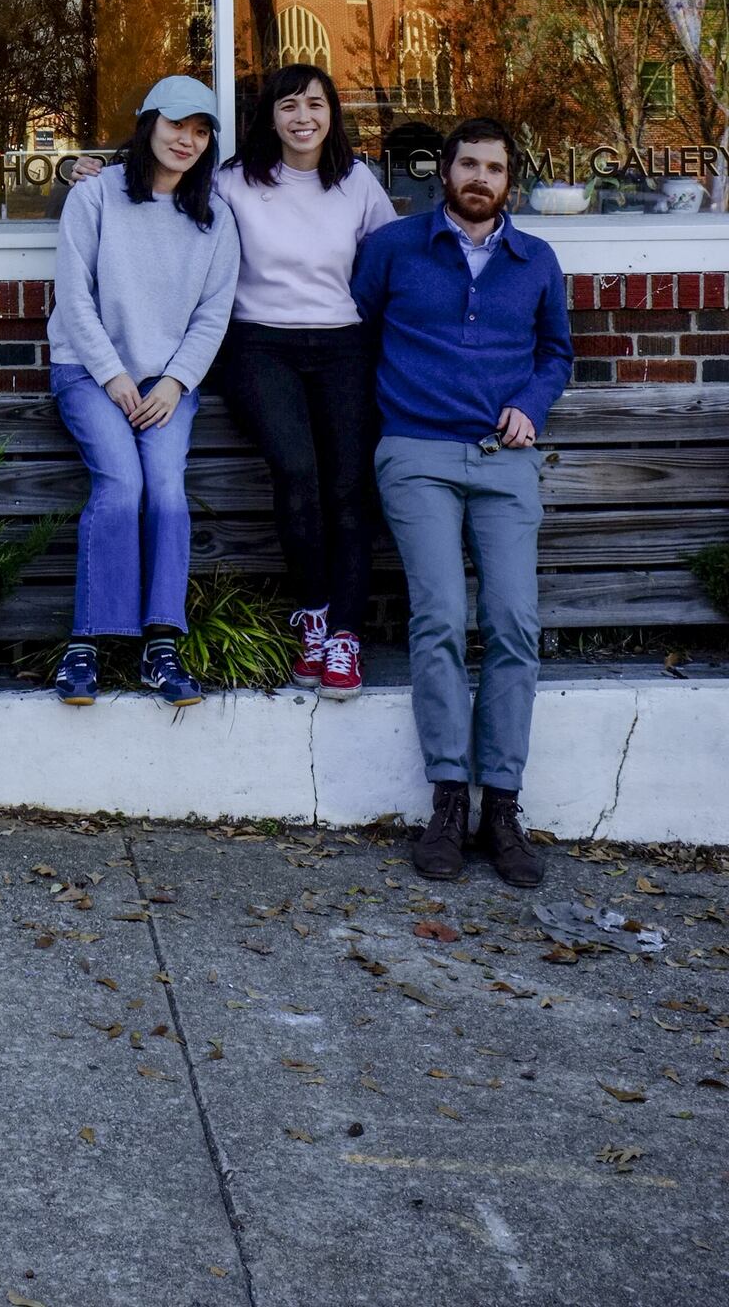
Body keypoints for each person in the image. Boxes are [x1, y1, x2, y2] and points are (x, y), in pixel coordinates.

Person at [351, 117, 573, 889]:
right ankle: (448, 798)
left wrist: (534, 404)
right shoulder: (393, 250)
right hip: (415, 452)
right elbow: (357, 334)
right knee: (440, 613)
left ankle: (502, 808)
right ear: (442, 171)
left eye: (496, 168)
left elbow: (557, 353)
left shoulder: (536, 260)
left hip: (505, 456)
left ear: (512, 181)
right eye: (468, 164)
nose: (481, 178)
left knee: (514, 619)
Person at [46, 76, 240, 708]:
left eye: (201, 130)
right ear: (149, 123)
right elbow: (74, 297)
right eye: (176, 124)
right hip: (89, 370)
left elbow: (213, 314)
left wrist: (176, 381)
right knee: (121, 486)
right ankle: (87, 644)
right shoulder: (96, 195)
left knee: (165, 490)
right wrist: (114, 376)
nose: (187, 139)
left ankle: (161, 644)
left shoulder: (215, 216)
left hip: (166, 383)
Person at [213, 65, 397, 701]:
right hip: (261, 343)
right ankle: (314, 616)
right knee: (298, 474)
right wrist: (91, 173)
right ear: (269, 115)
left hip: (344, 344)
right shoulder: (233, 182)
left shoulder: (356, 182)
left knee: (349, 484)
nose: (302, 118)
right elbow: (168, 202)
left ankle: (345, 634)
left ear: (332, 114)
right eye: (288, 106)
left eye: (315, 105)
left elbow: (389, 258)